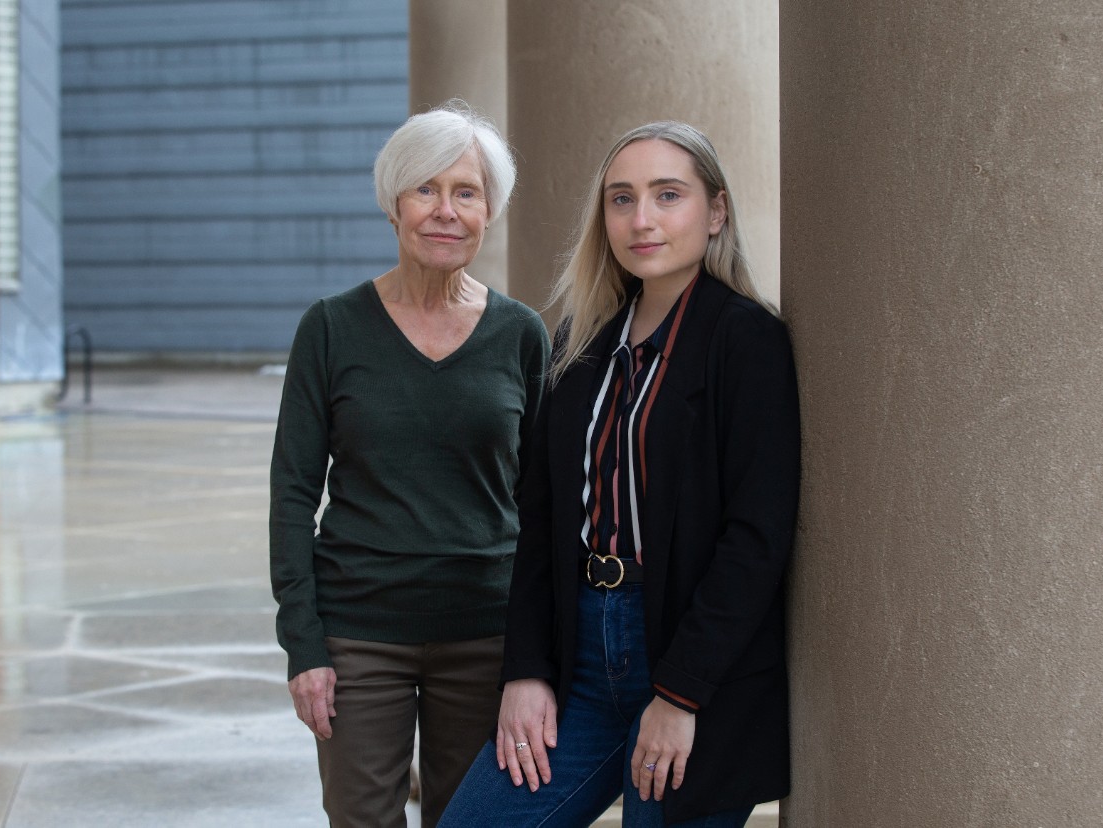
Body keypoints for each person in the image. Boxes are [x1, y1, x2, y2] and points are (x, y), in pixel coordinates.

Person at [439, 121, 801, 827]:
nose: (642, 220)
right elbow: (540, 520)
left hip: (688, 659)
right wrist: (528, 669)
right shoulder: (582, 341)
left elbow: (755, 538)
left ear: (716, 211)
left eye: (669, 196)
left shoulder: (747, 341)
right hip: (580, 653)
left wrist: (681, 695)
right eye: (622, 199)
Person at [269, 100, 550, 827]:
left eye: (466, 192)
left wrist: (536, 659)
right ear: (393, 203)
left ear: (490, 210)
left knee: (473, 821)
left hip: (485, 634)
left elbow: (546, 503)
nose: (445, 211)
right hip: (359, 633)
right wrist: (304, 645)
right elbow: (292, 496)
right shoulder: (331, 328)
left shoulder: (521, 335)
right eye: (425, 189)